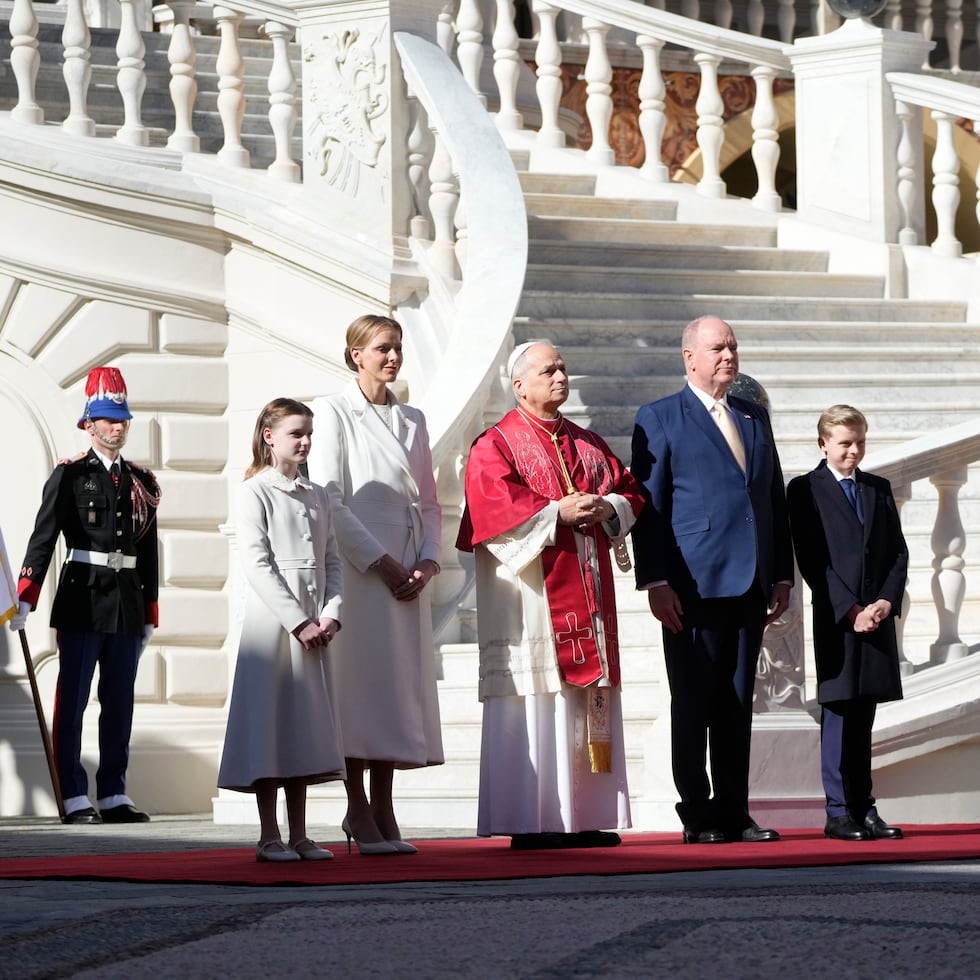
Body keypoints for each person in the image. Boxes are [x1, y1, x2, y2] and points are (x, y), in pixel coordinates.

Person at [457, 341, 645, 849]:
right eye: (549, 369)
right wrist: (555, 514)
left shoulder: (588, 443)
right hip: (531, 601)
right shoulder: (494, 445)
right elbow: (491, 505)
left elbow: (631, 491)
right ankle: (534, 819)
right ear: (519, 385)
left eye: (563, 367)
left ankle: (584, 818)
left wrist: (606, 508)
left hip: (587, 592)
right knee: (538, 700)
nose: (561, 375)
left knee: (584, 703)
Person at [630, 316, 794, 844]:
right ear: (689, 357)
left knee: (736, 706)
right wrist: (655, 580)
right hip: (691, 586)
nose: (728, 355)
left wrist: (782, 575)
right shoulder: (659, 418)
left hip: (751, 583)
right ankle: (697, 813)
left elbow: (772, 500)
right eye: (717, 347)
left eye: (733, 347)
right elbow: (650, 507)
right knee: (694, 702)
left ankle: (735, 810)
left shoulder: (752, 417)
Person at [308, 314, 443, 856]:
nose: (392, 357)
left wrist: (429, 560)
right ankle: (356, 805)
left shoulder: (414, 417)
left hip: (408, 566)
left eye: (398, 347)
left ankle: (385, 804)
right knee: (357, 686)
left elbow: (430, 500)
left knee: (393, 689)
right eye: (382, 348)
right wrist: (382, 562)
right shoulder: (333, 411)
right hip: (362, 568)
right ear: (355, 353)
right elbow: (329, 497)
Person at [9, 367, 160, 824]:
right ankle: (74, 793)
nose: (118, 426)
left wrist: (150, 611)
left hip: (127, 605)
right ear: (89, 423)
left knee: (120, 701)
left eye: (123, 419)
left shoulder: (141, 481)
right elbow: (44, 538)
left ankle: (113, 793)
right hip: (81, 599)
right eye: (109, 418)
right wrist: (26, 597)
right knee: (72, 701)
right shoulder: (71, 475)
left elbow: (148, 548)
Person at [217, 398, 345, 862]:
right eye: (296, 433)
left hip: (314, 623)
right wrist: (297, 621)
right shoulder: (256, 491)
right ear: (270, 436)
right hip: (273, 626)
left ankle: (301, 833)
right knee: (270, 725)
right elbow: (257, 562)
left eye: (309, 433)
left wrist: (331, 612)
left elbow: (332, 561)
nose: (306, 441)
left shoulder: (319, 494)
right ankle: (269, 833)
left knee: (302, 727)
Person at [786, 405, 907, 842]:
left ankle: (864, 806)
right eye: (844, 443)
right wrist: (851, 610)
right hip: (839, 619)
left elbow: (897, 552)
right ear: (823, 444)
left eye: (859, 443)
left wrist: (884, 603)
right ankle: (838, 811)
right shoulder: (805, 490)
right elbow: (813, 559)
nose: (853, 451)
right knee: (838, 712)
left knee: (865, 716)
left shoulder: (877, 488)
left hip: (876, 617)